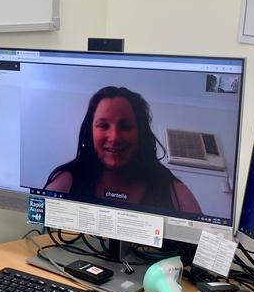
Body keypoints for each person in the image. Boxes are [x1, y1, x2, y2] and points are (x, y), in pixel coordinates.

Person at [44, 86, 202, 214]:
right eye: (103, 125)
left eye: (125, 126)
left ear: (141, 133)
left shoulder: (175, 192)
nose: (114, 137)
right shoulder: (66, 181)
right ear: (90, 132)